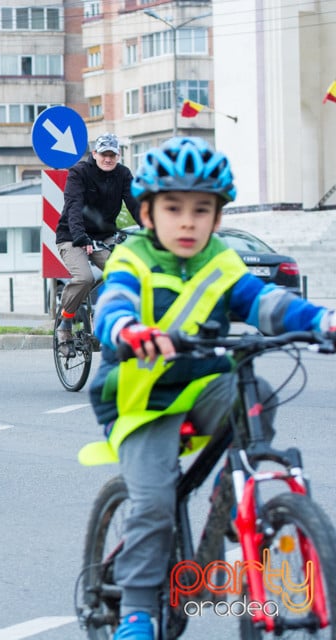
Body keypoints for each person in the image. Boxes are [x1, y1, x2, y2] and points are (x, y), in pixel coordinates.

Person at [86, 137, 336, 640]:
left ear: (217, 218)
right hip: (142, 399)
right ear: (149, 213)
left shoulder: (220, 261)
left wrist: (323, 320)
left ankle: (235, 497)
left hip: (204, 384)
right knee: (154, 505)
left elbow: (266, 303)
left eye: (202, 210)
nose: (187, 221)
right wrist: (130, 331)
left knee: (258, 388)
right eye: (173, 208)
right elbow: (113, 305)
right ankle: (136, 610)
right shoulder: (132, 259)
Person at [55, 133, 139, 355]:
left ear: (118, 155)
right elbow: (74, 206)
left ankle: (111, 320)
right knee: (84, 277)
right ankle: (65, 323)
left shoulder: (123, 174)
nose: (108, 159)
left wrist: (153, 230)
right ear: (95, 154)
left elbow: (135, 205)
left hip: (103, 237)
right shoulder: (79, 173)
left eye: (112, 155)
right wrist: (80, 237)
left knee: (124, 274)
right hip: (72, 236)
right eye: (104, 154)